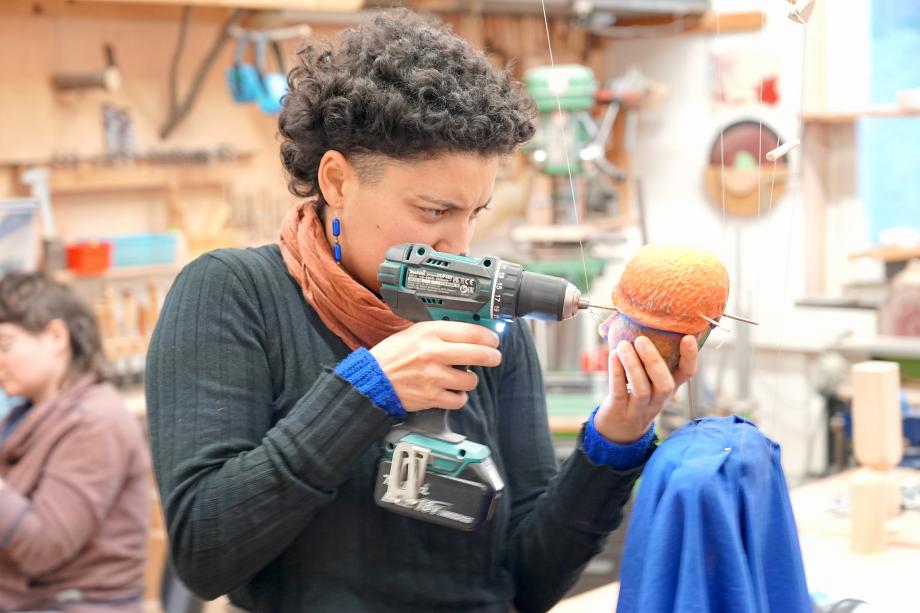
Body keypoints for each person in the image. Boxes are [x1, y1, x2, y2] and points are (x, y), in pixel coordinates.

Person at [145, 9, 698, 612]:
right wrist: (368, 390)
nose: (458, 245)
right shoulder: (234, 295)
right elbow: (204, 554)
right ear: (337, 181)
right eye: (434, 211)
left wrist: (617, 435)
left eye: (475, 213)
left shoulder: (490, 329)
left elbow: (529, 579)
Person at [0, 273, 151, 612]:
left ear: (56, 336)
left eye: (5, 344)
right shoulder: (26, 416)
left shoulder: (96, 423)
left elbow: (43, 546)